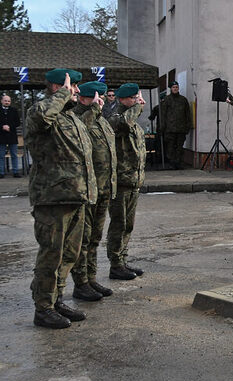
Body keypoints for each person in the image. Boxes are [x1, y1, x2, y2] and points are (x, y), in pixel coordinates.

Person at [25, 68, 97, 329]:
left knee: (69, 254)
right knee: (51, 255)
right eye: (72, 87)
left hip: (75, 196)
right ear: (57, 88)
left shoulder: (70, 118)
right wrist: (64, 94)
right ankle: (42, 308)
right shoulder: (40, 111)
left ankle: (56, 300)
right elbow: (43, 118)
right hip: (52, 197)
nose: (76, 91)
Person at [70, 81, 117, 301]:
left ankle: (91, 278)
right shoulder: (78, 118)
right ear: (84, 99)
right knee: (84, 239)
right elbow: (78, 137)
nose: (100, 101)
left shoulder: (102, 121)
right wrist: (94, 111)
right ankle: (80, 283)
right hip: (87, 190)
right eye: (96, 97)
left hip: (103, 188)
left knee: (95, 237)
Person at [106, 83, 146, 280]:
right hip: (120, 182)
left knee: (128, 225)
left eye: (138, 97)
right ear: (123, 100)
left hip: (133, 181)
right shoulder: (114, 118)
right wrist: (137, 107)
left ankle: (122, 260)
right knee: (119, 224)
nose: (138, 101)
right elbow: (123, 124)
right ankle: (115, 264)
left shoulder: (134, 122)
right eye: (134, 98)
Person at [161, 80, 192, 169]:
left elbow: (187, 114)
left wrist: (188, 126)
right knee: (170, 147)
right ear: (171, 89)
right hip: (170, 128)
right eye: (174, 87)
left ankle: (178, 163)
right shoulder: (167, 99)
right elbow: (163, 114)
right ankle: (171, 163)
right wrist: (162, 126)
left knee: (179, 147)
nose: (175, 89)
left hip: (181, 128)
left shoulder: (183, 100)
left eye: (177, 87)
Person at [0, 94, 21, 178]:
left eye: (8, 101)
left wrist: (9, 127)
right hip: (1, 136)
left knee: (14, 154)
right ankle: (1, 172)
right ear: (1, 101)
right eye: (5, 101)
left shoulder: (14, 110)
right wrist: (2, 127)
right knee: (1, 155)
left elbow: (17, 122)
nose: (7, 102)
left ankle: (15, 171)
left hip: (12, 135)